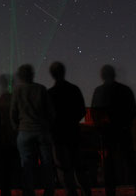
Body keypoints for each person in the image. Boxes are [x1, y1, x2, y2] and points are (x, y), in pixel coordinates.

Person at [91, 65, 136, 196]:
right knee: (130, 161)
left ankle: (110, 191)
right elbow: (133, 111)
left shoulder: (99, 91)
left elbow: (95, 113)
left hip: (108, 133)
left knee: (109, 164)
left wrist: (101, 126)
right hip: (123, 130)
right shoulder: (125, 90)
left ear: (102, 76)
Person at [11, 64, 56, 196]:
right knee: (47, 163)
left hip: (24, 131)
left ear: (20, 76)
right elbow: (51, 112)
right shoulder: (41, 89)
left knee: (26, 165)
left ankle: (29, 192)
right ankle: (49, 191)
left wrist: (16, 128)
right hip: (42, 130)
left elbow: (13, 112)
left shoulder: (17, 91)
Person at [48, 62, 91, 196]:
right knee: (78, 166)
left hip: (57, 135)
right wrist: (72, 121)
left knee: (63, 168)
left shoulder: (50, 93)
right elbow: (82, 111)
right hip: (73, 132)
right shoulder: (74, 89)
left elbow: (47, 115)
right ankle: (86, 192)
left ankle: (71, 193)